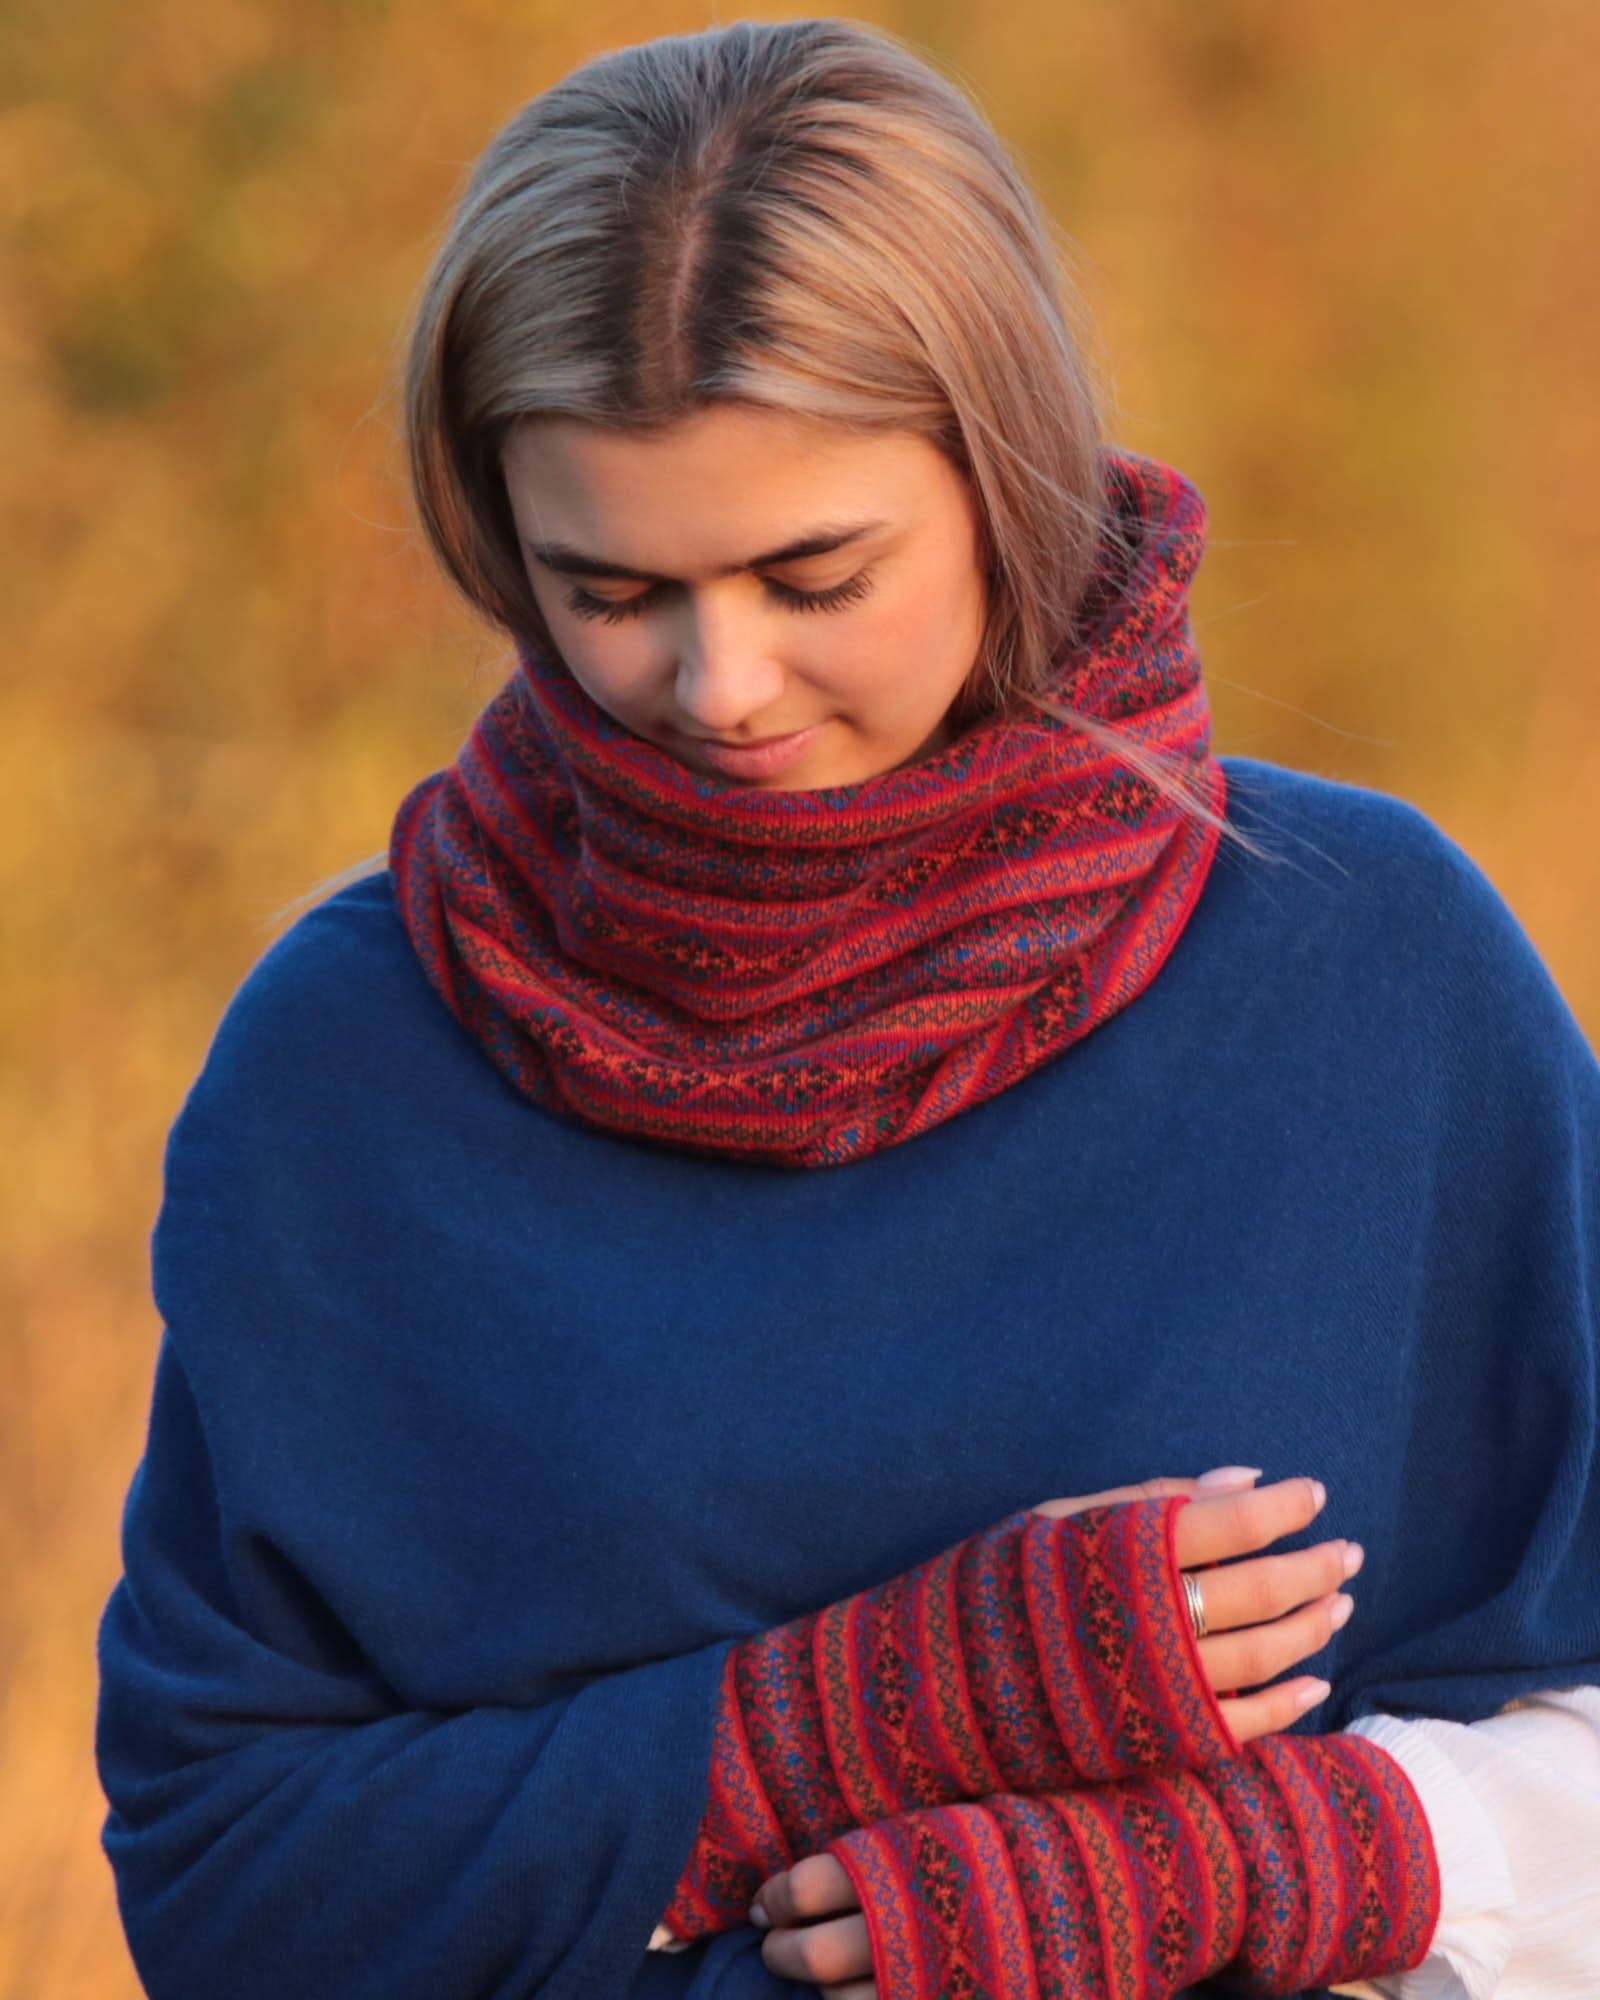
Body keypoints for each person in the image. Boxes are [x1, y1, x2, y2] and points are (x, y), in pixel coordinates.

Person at [94, 17, 1600, 2000]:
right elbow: (228, 1885)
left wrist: (1248, 1859)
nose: (715, 682)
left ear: (1001, 474)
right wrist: (829, 1730)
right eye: (609, 587)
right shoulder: (349, 1066)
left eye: (812, 571)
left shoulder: (1372, 970)